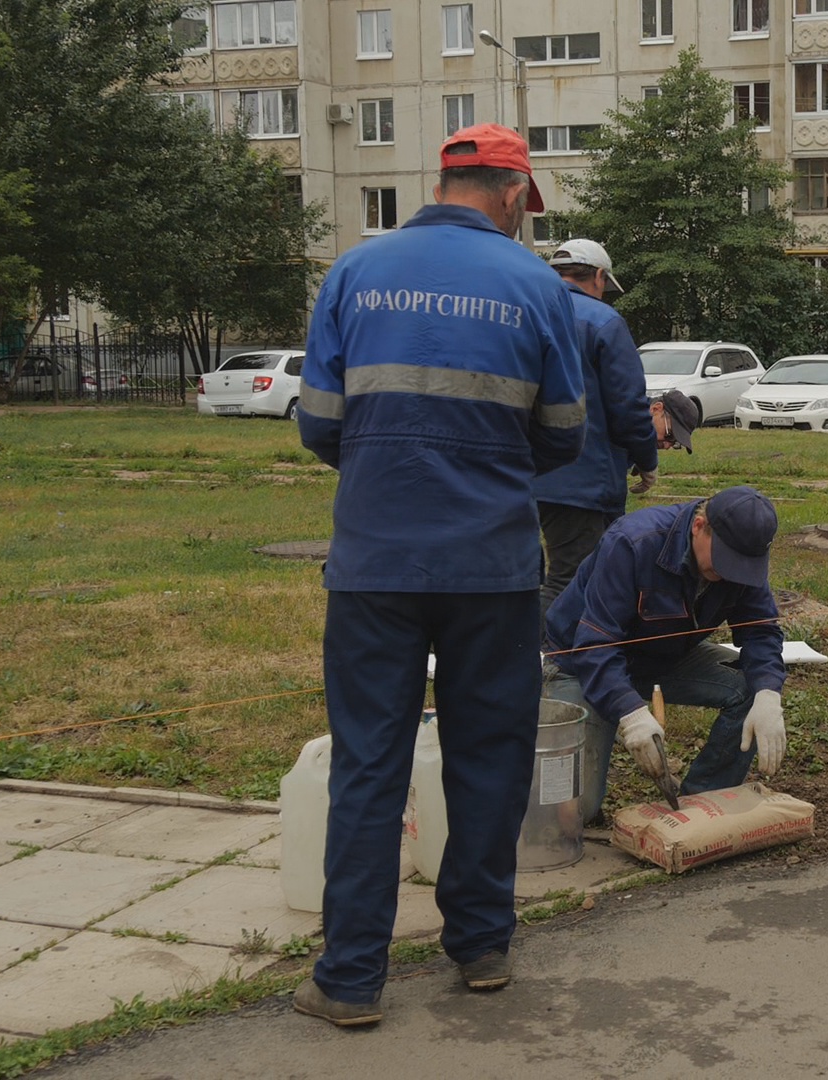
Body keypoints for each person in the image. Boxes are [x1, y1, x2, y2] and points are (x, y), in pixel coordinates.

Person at [291, 123, 587, 1026]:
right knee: (489, 758)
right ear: (511, 194)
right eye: (523, 207)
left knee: (370, 761)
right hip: (492, 565)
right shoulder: (538, 286)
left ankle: (347, 982)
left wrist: (391, 462)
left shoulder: (352, 273)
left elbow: (318, 424)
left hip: (375, 562)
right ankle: (483, 947)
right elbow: (566, 433)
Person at [543, 486, 787, 816]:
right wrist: (630, 713)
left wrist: (769, 692)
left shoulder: (742, 561)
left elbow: (761, 630)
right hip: (580, 662)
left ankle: (700, 806)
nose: (730, 575)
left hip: (665, 656)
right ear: (699, 526)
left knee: (751, 689)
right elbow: (594, 643)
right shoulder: (633, 543)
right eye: (724, 563)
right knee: (574, 813)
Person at [532, 239, 694, 619]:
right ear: (600, 277)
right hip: (581, 481)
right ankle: (528, 656)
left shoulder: (526, 313)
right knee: (571, 579)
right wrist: (647, 460)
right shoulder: (604, 322)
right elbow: (628, 406)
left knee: (537, 574)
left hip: (526, 475)